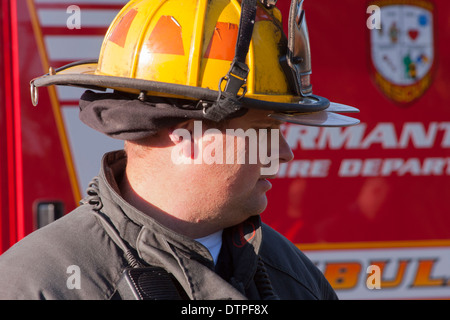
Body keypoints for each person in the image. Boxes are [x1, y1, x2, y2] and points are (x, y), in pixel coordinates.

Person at [0, 0, 359, 299]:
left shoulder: (295, 280)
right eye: (266, 130)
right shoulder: (38, 285)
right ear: (186, 135)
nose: (283, 153)